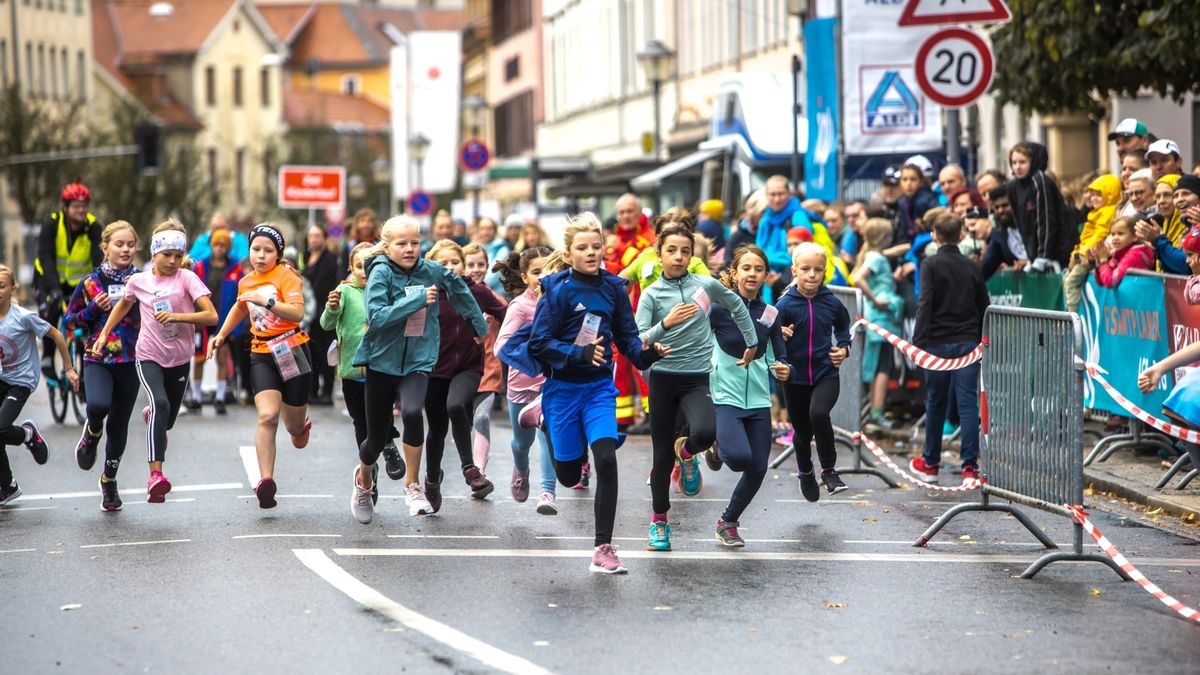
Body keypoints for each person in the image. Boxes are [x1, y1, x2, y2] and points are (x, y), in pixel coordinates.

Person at [526, 213, 669, 574]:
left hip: (598, 389)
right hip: (562, 390)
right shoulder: (556, 290)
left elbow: (628, 338)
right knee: (569, 476)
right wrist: (578, 353)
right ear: (569, 252)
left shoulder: (613, 288)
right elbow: (539, 343)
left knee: (605, 458)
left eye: (596, 246)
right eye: (583, 247)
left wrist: (648, 354)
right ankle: (543, 421)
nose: (592, 253)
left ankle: (603, 548)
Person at [349, 217, 488, 524]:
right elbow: (378, 315)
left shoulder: (431, 270)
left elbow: (460, 289)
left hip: (419, 360)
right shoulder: (381, 273)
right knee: (374, 441)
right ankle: (364, 478)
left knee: (413, 412)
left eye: (414, 243)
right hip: (382, 362)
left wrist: (478, 325)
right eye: (401, 244)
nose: (410, 249)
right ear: (387, 247)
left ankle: (411, 486)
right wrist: (413, 301)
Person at [635, 224, 758, 551]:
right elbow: (638, 340)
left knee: (705, 432)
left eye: (685, 251)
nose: (678, 257)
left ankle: (686, 452)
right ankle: (659, 522)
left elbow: (736, 306)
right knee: (660, 458)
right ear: (659, 254)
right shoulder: (651, 295)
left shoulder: (704, 286)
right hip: (662, 379)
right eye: (671, 250)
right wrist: (666, 324)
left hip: (697, 377)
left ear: (692, 255)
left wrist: (752, 343)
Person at [93, 221, 217, 503]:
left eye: (177, 255)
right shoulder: (139, 281)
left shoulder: (186, 279)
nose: (172, 261)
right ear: (154, 253)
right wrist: (104, 334)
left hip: (180, 358)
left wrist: (178, 317)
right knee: (160, 403)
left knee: (166, 421)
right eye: (166, 255)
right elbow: (124, 303)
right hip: (148, 356)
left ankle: (153, 417)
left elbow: (211, 316)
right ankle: (155, 476)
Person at [207, 224, 314, 509]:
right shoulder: (246, 281)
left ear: (278, 254)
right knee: (267, 416)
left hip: (292, 349)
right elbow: (240, 307)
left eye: (268, 251)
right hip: (262, 353)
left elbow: (297, 312)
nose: (261, 256)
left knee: (293, 429)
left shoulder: (287, 276)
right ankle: (265, 481)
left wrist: (267, 301)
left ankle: (299, 425)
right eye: (256, 249)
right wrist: (221, 335)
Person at [704, 244, 788, 546]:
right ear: (735, 272)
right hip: (724, 394)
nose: (752, 274)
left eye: (758, 269)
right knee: (739, 458)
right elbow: (696, 342)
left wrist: (783, 368)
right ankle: (716, 444)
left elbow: (780, 354)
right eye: (746, 268)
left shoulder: (770, 313)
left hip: (758, 400)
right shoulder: (718, 309)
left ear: (766, 275)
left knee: (758, 467)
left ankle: (728, 521)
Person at [423, 240, 505, 510]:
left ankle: (470, 469)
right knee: (436, 428)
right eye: (442, 264)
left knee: (456, 404)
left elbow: (506, 314)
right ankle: (432, 479)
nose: (449, 268)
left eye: (454, 262)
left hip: (469, 367)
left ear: (463, 263)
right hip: (433, 369)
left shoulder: (476, 291)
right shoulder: (427, 292)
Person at [64, 222, 141, 510]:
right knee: (97, 406)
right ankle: (92, 431)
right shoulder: (90, 284)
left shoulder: (143, 280)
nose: (125, 249)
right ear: (105, 247)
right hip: (98, 358)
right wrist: (93, 308)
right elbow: (70, 322)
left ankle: (109, 481)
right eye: (119, 244)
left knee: (119, 427)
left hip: (132, 360)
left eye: (130, 244)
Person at [908, 213, 989, 486]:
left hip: (936, 343)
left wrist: (917, 342)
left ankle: (930, 463)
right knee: (967, 403)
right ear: (962, 235)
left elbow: (925, 303)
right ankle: (969, 467)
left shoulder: (929, 264)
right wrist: (982, 339)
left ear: (933, 235)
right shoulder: (972, 266)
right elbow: (984, 305)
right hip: (967, 342)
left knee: (936, 401)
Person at [322, 243, 405, 498]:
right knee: (361, 420)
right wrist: (332, 308)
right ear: (351, 267)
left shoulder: (387, 290)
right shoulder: (344, 291)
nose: (366, 271)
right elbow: (326, 324)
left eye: (371, 266)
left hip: (382, 367)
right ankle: (369, 469)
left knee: (381, 415)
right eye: (360, 266)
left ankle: (388, 443)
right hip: (352, 370)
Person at [777, 242, 852, 500]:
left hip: (825, 372)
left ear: (825, 272)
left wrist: (844, 348)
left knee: (819, 414)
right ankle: (805, 471)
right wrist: (779, 334)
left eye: (818, 270)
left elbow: (844, 325)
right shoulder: (785, 304)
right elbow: (768, 334)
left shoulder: (830, 302)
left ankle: (830, 471)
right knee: (802, 432)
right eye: (806, 269)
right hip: (794, 377)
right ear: (794, 271)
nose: (812, 275)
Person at [0, 264, 76, 505]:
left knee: (0, 428)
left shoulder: (23, 317)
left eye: (1, 285)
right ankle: (7, 486)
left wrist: (70, 368)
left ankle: (27, 435)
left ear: (13, 288)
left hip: (20, 382)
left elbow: (57, 335)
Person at [493, 246, 558, 512]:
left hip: (550, 384)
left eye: (550, 270)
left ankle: (547, 492)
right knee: (523, 442)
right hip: (522, 385)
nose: (543, 277)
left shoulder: (562, 301)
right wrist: (532, 350)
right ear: (524, 277)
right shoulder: (520, 307)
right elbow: (501, 347)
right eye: (536, 272)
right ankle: (521, 468)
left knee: (547, 435)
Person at [35, 182, 103, 375]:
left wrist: (96, 285)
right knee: (51, 310)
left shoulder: (93, 226)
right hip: (48, 277)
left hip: (77, 282)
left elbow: (98, 259)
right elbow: (45, 257)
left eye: (84, 205)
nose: (81, 210)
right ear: (66, 207)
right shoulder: (52, 223)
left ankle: (83, 368)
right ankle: (48, 356)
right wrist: (55, 289)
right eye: (76, 206)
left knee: (85, 317)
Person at [606, 193, 657, 432]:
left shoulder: (648, 240)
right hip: (618, 310)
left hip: (641, 310)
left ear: (639, 213)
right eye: (622, 212)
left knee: (641, 362)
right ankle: (623, 417)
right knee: (621, 362)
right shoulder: (614, 241)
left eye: (630, 211)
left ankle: (650, 414)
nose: (626, 216)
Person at [853, 218, 904, 431]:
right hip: (881, 316)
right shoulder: (875, 257)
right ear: (884, 238)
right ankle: (877, 413)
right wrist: (875, 299)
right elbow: (858, 279)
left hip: (875, 316)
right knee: (882, 366)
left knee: (876, 364)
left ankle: (874, 411)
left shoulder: (871, 254)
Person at [190, 228, 245, 414]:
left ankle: (220, 398)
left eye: (223, 245)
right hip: (202, 319)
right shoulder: (200, 267)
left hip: (223, 320)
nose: (219, 248)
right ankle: (196, 397)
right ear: (211, 245)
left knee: (222, 357)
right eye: (216, 244)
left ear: (228, 247)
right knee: (199, 359)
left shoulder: (236, 269)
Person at [463, 243, 506, 481]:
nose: (475, 269)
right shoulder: (454, 297)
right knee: (463, 420)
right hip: (460, 370)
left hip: (489, 369)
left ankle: (479, 470)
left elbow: (513, 322)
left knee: (481, 417)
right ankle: (467, 459)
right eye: (470, 264)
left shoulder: (494, 298)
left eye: (481, 265)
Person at [1007, 142, 1069, 271]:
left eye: (1022, 162)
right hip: (1034, 255)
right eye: (1014, 163)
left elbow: (1046, 220)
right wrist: (1031, 256)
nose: (1018, 167)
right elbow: (1020, 223)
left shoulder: (1039, 180)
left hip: (1055, 253)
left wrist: (1043, 256)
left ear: (1033, 162)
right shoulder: (1013, 186)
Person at [1063, 174, 1121, 312]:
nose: (1093, 198)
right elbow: (1085, 238)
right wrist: (1076, 253)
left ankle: (1072, 317)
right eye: (1092, 194)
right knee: (1067, 279)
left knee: (1070, 282)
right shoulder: (1096, 212)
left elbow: (1099, 236)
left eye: (1098, 195)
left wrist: (1081, 255)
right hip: (1084, 255)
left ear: (1110, 195)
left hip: (1090, 257)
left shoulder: (1107, 213)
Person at [758, 175, 834, 276]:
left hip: (791, 275)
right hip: (767, 276)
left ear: (789, 193)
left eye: (781, 194)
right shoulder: (765, 219)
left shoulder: (798, 216)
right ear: (766, 195)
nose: (777, 199)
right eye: (772, 194)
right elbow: (759, 249)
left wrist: (766, 258)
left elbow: (804, 251)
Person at [302, 225, 340, 406]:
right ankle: (313, 389)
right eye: (311, 236)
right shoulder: (307, 257)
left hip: (325, 313)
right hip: (310, 314)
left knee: (326, 354)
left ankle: (327, 392)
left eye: (317, 236)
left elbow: (323, 286)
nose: (314, 239)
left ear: (324, 238)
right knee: (313, 355)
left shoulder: (329, 260)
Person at [1140, 175, 1200, 275]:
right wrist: (1159, 248)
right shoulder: (1189, 228)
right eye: (1175, 195)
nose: (1179, 199)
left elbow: (1185, 265)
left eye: (1186, 193)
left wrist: (1159, 241)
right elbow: (1173, 268)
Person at [1087, 216, 1154, 288]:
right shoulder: (1118, 253)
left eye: (1120, 233)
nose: (1115, 238)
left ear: (1135, 237)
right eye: (1113, 234)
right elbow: (1101, 282)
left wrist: (1103, 260)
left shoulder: (1135, 255)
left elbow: (1110, 281)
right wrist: (1099, 260)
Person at [981, 187, 1028, 279]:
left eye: (1005, 205)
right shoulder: (998, 235)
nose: (1000, 211)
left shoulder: (1035, 226)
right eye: (996, 207)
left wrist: (1030, 263)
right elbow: (986, 267)